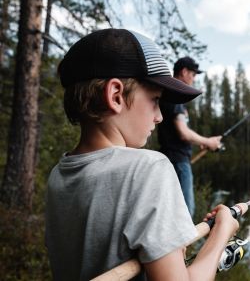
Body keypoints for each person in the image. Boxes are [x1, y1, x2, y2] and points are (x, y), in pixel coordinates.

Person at [45, 28, 239, 281]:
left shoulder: (58, 175)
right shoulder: (148, 168)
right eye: (155, 100)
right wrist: (221, 234)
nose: (159, 116)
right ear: (115, 96)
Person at [158, 57, 222, 217]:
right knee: (185, 214)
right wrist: (208, 141)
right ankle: (185, 243)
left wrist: (200, 142)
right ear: (184, 72)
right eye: (193, 75)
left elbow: (179, 133)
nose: (193, 79)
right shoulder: (174, 96)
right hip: (178, 161)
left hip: (172, 160)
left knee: (172, 212)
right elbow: (183, 132)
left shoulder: (169, 94)